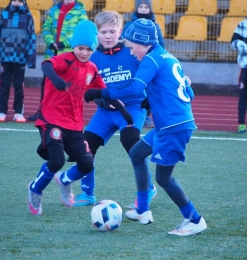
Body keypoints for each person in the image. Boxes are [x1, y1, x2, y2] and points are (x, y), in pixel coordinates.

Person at [84, 18, 207, 236]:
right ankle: (142, 209)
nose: (130, 52)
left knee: (163, 178)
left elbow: (133, 89)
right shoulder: (167, 56)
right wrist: (155, 99)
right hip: (169, 124)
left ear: (143, 42)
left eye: (131, 47)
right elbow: (190, 93)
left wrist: (99, 93)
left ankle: (194, 219)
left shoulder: (151, 59)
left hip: (173, 126)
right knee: (137, 153)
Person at [27, 20, 133, 215]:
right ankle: (35, 189)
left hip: (74, 125)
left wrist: (123, 112)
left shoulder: (92, 68)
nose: (84, 52)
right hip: (52, 119)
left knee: (86, 163)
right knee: (57, 160)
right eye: (80, 48)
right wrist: (57, 80)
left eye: (88, 49)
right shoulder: (65, 59)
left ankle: (65, 182)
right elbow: (46, 66)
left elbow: (104, 92)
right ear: (74, 46)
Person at [72, 11, 157, 207]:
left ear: (120, 32)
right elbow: (90, 88)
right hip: (105, 112)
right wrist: (103, 102)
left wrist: (152, 101)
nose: (108, 36)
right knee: (85, 147)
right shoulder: (93, 58)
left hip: (132, 108)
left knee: (131, 143)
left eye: (112, 31)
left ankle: (149, 188)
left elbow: (150, 76)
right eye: (103, 32)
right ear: (97, 34)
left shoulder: (132, 51)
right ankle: (87, 193)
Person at [28, 0, 88, 121]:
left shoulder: (80, 11)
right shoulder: (54, 9)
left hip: (68, 55)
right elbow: (46, 27)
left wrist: (63, 43)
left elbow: (80, 31)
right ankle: (42, 112)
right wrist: (50, 42)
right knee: (46, 85)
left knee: (68, 87)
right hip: (52, 54)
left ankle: (67, 114)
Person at [0, 0, 36, 123]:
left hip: (20, 58)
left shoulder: (28, 16)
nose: (16, 3)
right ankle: (2, 111)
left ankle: (18, 112)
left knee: (19, 85)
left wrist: (31, 59)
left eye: (19, 1)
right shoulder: (3, 14)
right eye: (15, 0)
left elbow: (31, 37)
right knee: (3, 85)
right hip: (5, 56)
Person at [122, 0, 165, 128]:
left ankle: (147, 116)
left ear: (150, 9)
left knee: (149, 87)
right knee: (135, 85)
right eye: (141, 6)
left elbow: (160, 43)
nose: (143, 9)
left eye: (146, 7)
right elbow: (125, 42)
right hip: (133, 61)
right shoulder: (130, 25)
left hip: (149, 62)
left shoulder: (155, 26)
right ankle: (129, 110)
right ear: (137, 9)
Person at [231, 18, 247, 134]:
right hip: (245, 66)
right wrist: (244, 47)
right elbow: (234, 41)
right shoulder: (242, 25)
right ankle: (241, 124)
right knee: (243, 95)